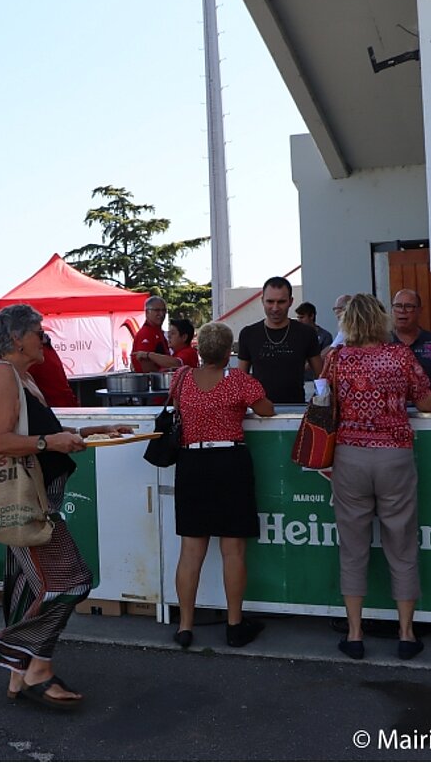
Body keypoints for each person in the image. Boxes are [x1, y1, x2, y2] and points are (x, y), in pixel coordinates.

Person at [0, 304, 131, 710]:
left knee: (27, 584)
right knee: (71, 581)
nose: (45, 339)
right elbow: (0, 441)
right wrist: (51, 443)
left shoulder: (21, 377)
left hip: (35, 499)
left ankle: (18, 673)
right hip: (26, 503)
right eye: (39, 332)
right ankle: (33, 664)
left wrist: (90, 431)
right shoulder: (2, 375)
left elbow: (40, 433)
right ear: (16, 338)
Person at [324, 294, 431, 660]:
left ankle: (354, 634)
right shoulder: (401, 354)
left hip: (350, 456)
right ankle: (406, 633)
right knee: (401, 544)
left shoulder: (336, 359)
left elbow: (322, 403)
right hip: (395, 455)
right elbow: (426, 400)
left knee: (352, 548)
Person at [171, 322, 274, 651]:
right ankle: (234, 624)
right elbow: (266, 409)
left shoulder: (182, 378)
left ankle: (185, 626)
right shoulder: (240, 382)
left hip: (192, 464)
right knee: (233, 551)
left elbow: (177, 406)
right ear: (229, 351)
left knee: (190, 553)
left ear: (200, 350)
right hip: (230, 463)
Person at [237, 276, 323, 403]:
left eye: (281, 302)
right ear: (262, 301)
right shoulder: (248, 334)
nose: (275, 308)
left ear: (290, 301)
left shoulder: (306, 333)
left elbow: (320, 376)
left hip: (296, 410)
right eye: (270, 302)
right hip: (259, 412)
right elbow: (240, 379)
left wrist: (321, 402)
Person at [130, 296, 171, 373]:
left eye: (164, 310)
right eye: (157, 310)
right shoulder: (146, 333)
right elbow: (145, 365)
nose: (161, 314)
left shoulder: (157, 331)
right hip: (152, 382)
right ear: (147, 312)